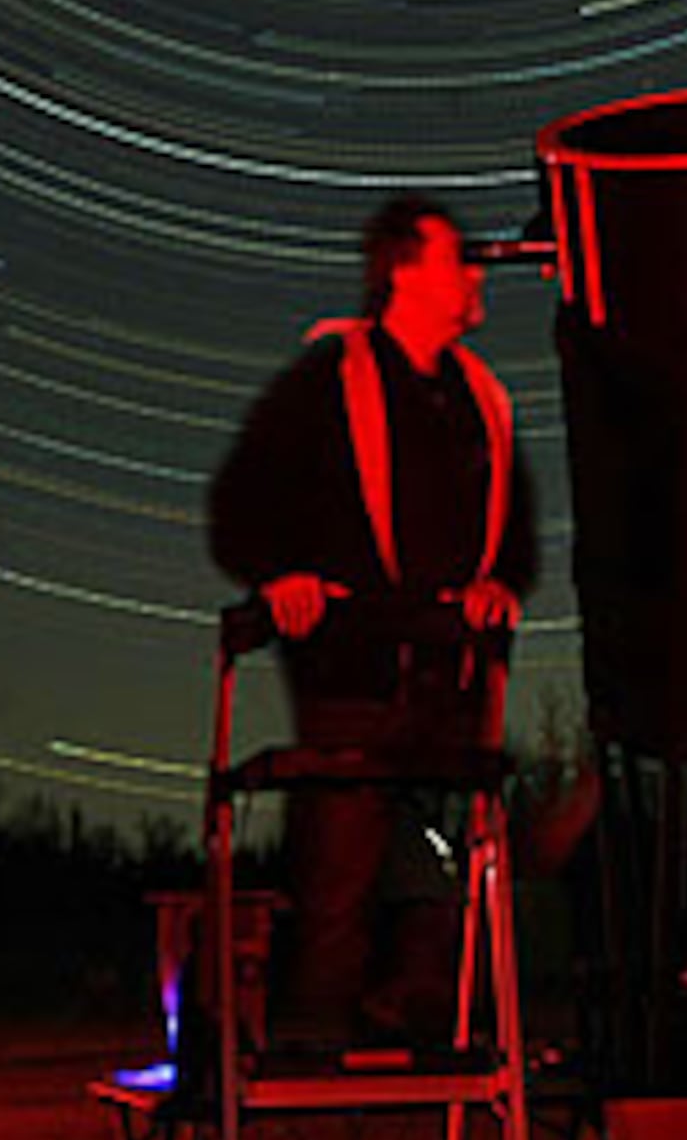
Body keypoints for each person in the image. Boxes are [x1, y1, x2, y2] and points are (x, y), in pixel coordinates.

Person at [209, 196, 539, 1051]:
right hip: (352, 679)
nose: (474, 274)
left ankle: (425, 1038)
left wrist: (501, 583)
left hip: (450, 682)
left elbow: (519, 536)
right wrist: (280, 576)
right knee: (339, 879)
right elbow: (242, 504)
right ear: (404, 273)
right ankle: (314, 1046)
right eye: (455, 259)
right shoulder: (328, 379)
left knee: (434, 875)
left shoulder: (482, 399)